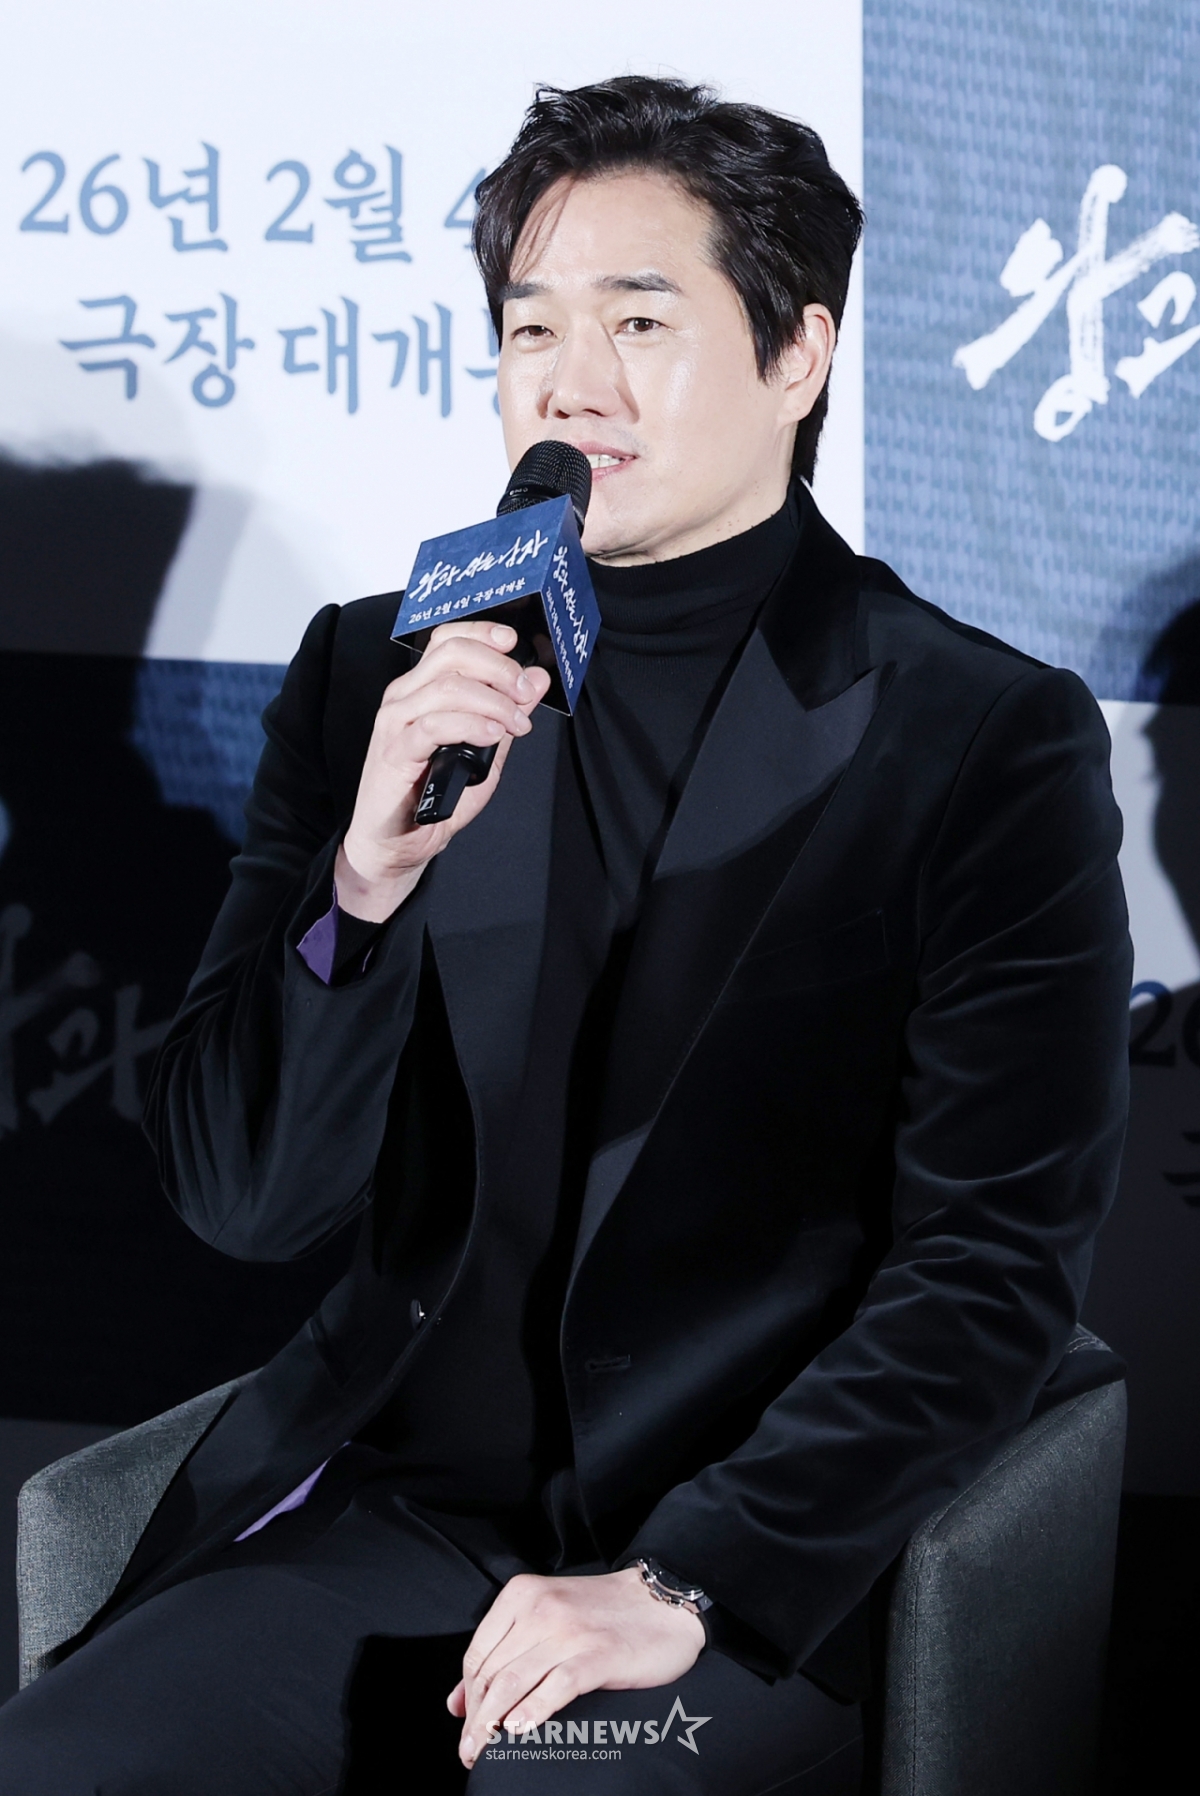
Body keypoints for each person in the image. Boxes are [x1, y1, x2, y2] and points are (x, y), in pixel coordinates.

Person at [0, 75, 1130, 1794]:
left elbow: (992, 1266)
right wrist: (364, 886)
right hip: (397, 1522)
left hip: (731, 1568)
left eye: (639, 321)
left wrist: (691, 1579)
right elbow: (247, 1196)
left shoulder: (979, 735)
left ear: (799, 356)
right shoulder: (381, 672)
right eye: (532, 326)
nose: (569, 381)